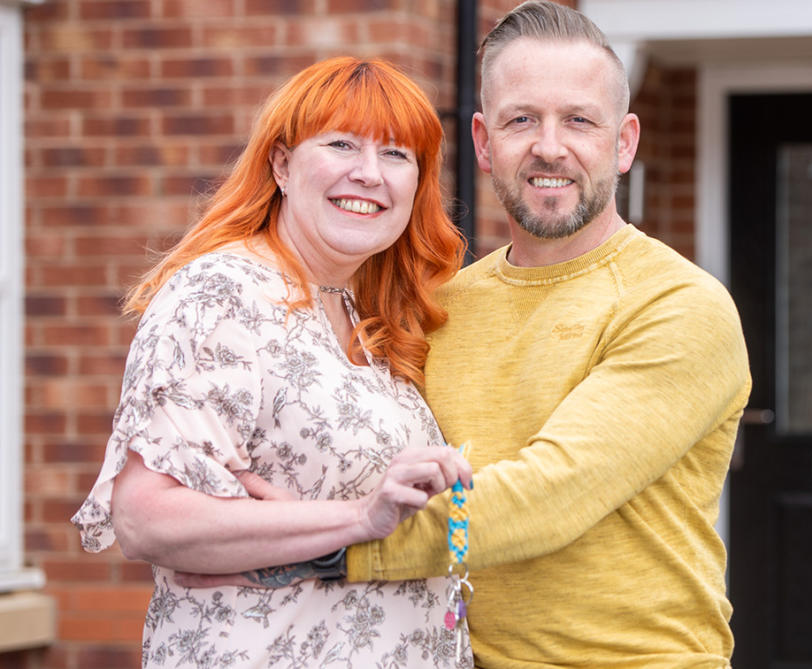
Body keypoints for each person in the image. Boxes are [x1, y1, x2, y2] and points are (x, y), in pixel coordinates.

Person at [189, 2, 752, 666]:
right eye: (522, 120)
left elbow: (549, 496)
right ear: (484, 143)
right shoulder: (441, 308)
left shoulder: (680, 306)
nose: (549, 146)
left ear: (623, 142)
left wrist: (315, 542)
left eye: (578, 119)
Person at [70, 56, 475, 668]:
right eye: (342, 144)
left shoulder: (367, 317)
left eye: (397, 155)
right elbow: (145, 518)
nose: (369, 174)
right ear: (282, 165)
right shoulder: (221, 293)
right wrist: (356, 518)